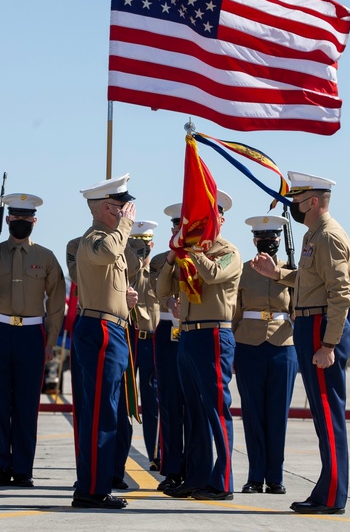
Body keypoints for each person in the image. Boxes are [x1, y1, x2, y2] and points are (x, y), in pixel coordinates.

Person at [251, 171, 350, 516]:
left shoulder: (329, 237)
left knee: (329, 414)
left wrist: (329, 344)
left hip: (322, 326)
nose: (292, 205)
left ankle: (333, 497)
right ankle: (326, 489)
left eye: (297, 199)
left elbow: (340, 295)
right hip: (311, 322)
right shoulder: (316, 235)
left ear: (312, 201)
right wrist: (276, 274)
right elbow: (312, 280)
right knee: (323, 419)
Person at [0, 192, 66, 487]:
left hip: (31, 334)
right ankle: (2, 468)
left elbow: (56, 303)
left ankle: (24, 470)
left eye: (27, 218)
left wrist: (50, 341)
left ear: (34, 221)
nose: (21, 222)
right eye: (16, 218)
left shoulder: (46, 257)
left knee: (27, 405)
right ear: (8, 219)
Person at [158, 191, 240, 501]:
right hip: (188, 334)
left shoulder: (227, 251)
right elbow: (160, 289)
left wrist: (192, 249)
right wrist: (171, 256)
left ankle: (222, 481)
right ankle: (197, 476)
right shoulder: (185, 252)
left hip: (214, 335)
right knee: (193, 411)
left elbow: (214, 274)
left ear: (220, 219)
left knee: (216, 409)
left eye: (209, 216)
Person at [71, 174, 137, 510]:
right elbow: (108, 253)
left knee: (108, 410)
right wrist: (124, 227)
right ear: (106, 207)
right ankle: (91, 489)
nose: (128, 212)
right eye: (123, 206)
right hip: (98, 330)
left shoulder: (110, 238)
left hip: (112, 329)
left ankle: (96, 484)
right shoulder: (97, 238)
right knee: (100, 412)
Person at [234, 214, 297, 495]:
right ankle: (254, 475)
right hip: (248, 344)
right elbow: (234, 311)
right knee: (252, 414)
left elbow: (299, 310)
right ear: (254, 240)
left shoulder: (291, 272)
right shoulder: (243, 271)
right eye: (262, 239)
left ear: (279, 242)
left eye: (272, 240)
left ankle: (275, 477)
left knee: (277, 414)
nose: (267, 244)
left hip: (283, 346)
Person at [115, 220, 161, 480]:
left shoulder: (158, 270)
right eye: (135, 248)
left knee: (154, 402)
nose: (141, 254)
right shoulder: (125, 271)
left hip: (152, 339)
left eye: (145, 248)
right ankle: (119, 461)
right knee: (125, 401)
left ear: (152, 245)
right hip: (129, 336)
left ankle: (156, 456)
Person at [151, 204, 186, 492]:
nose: (178, 231)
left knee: (195, 405)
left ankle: (196, 466)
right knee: (170, 404)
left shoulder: (204, 258)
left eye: (183, 227)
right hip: (167, 331)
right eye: (175, 227)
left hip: (195, 331)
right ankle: (172, 468)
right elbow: (157, 289)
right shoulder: (161, 260)